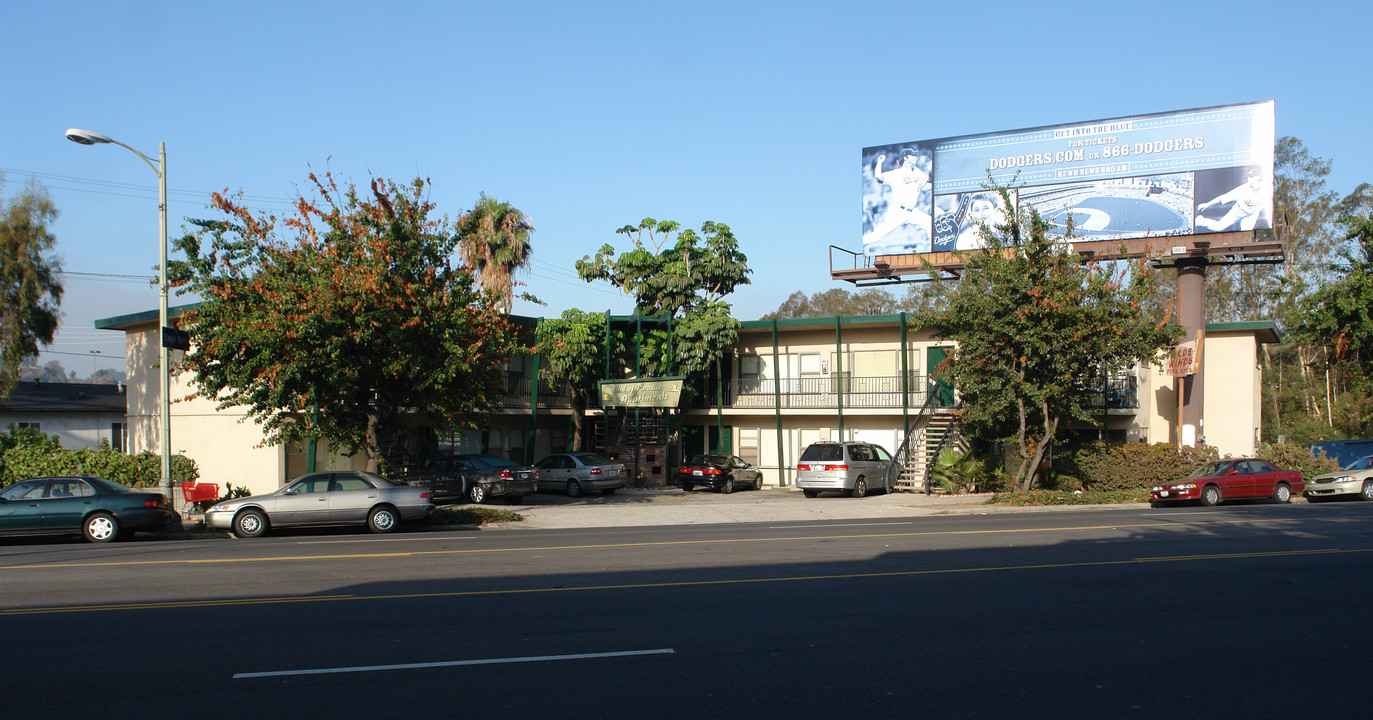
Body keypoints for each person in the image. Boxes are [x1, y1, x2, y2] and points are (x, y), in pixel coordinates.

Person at [868, 148, 932, 245]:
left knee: (929, 222)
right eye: (913, 155)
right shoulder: (896, 173)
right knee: (877, 237)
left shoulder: (917, 172)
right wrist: (879, 162)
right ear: (906, 158)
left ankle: (936, 249)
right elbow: (878, 176)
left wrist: (935, 185)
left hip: (912, 212)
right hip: (898, 211)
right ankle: (860, 242)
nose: (915, 157)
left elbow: (925, 186)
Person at [1195, 167, 1268, 232]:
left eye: (1252, 179)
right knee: (1219, 227)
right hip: (1238, 211)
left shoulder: (1267, 190)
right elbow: (1223, 198)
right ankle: (1200, 220)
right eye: (1249, 179)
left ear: (1259, 179)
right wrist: (1207, 204)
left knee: (1246, 234)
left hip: (1251, 215)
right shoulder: (1243, 189)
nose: (1250, 182)